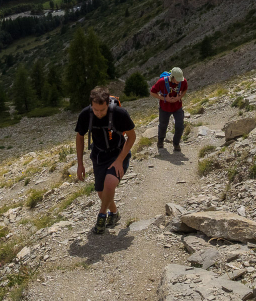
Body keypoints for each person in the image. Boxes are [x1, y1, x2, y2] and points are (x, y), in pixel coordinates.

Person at [75, 86, 136, 234]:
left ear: (108, 103)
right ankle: (114, 213)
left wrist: (120, 160)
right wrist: (80, 164)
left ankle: (102, 215)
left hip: (118, 153)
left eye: (102, 110)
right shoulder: (86, 115)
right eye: (95, 110)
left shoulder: (119, 114)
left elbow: (132, 137)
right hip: (99, 155)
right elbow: (79, 137)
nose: (99, 113)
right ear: (91, 105)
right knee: (101, 192)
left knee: (110, 182)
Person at [150, 67, 187, 152]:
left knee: (180, 125)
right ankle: (160, 142)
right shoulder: (162, 82)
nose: (179, 82)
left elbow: (185, 89)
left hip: (177, 107)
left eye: (180, 80)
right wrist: (164, 99)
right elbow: (152, 92)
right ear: (172, 77)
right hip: (165, 108)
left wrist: (179, 97)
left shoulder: (183, 81)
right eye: (177, 80)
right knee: (163, 125)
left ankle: (176, 143)